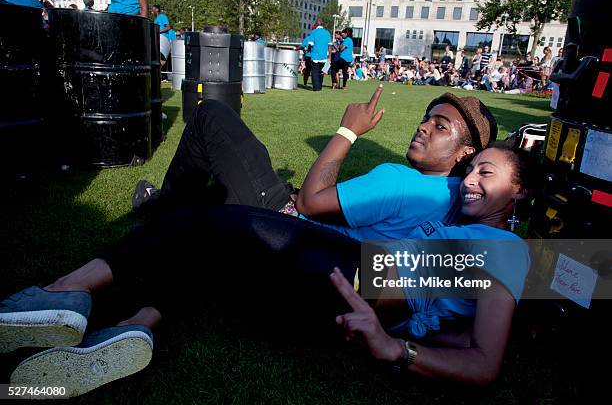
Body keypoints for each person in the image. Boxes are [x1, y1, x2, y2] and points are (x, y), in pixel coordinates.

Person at [1, 140, 532, 394]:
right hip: (351, 283)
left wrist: (397, 348)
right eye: (470, 170)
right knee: (216, 262)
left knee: (210, 224)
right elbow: (465, 338)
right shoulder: (478, 250)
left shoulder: (504, 249)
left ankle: (64, 292)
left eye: (486, 173)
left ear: (518, 194)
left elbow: (486, 362)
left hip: (363, 277)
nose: (468, 181)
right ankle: (132, 329)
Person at [308, 19, 331, 92]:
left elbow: (311, 44)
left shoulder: (314, 32)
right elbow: (329, 45)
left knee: (314, 72)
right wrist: (329, 56)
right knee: (321, 72)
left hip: (315, 55)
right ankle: (320, 86)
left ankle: (316, 87)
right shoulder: (327, 33)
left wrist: (308, 48)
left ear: (316, 25)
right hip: (324, 56)